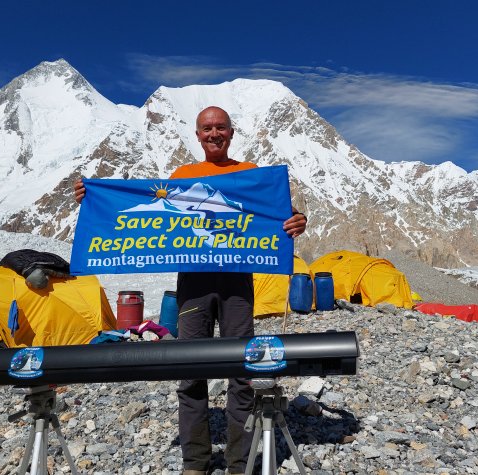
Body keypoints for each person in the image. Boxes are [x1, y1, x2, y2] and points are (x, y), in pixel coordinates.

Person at [74, 106, 307, 474]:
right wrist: (93, 197)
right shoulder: (183, 176)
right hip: (194, 281)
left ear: (232, 132)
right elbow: (153, 211)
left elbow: (279, 216)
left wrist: (296, 221)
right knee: (190, 368)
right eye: (206, 128)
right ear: (197, 135)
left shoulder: (250, 174)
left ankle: (238, 463)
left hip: (236, 281)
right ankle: (195, 462)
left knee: (243, 368)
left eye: (221, 128)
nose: (214, 134)